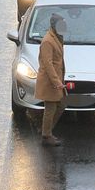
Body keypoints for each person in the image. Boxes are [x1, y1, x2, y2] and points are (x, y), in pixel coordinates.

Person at [36, 13, 68, 147]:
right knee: (50, 107)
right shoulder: (48, 41)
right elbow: (48, 64)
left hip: (56, 79)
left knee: (61, 104)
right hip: (50, 82)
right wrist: (57, 82)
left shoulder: (56, 38)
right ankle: (46, 135)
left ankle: (46, 129)